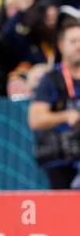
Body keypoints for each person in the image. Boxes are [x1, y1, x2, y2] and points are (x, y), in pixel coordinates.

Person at [28, 14, 80, 189]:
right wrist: (66, 116)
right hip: (62, 159)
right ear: (61, 46)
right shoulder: (51, 79)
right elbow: (35, 119)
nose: (78, 46)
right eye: (73, 42)